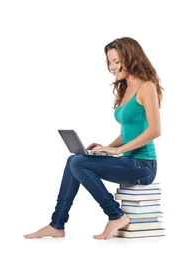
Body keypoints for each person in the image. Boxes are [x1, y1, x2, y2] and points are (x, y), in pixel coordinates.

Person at [24, 37, 163, 240]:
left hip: (144, 166)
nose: (112, 67)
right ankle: (57, 224)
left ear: (131, 58)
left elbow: (154, 130)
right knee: (74, 159)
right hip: (128, 161)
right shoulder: (126, 89)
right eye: (110, 62)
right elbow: (129, 132)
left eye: (117, 61)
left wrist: (119, 150)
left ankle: (115, 215)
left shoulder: (146, 87)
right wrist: (107, 147)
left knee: (79, 163)